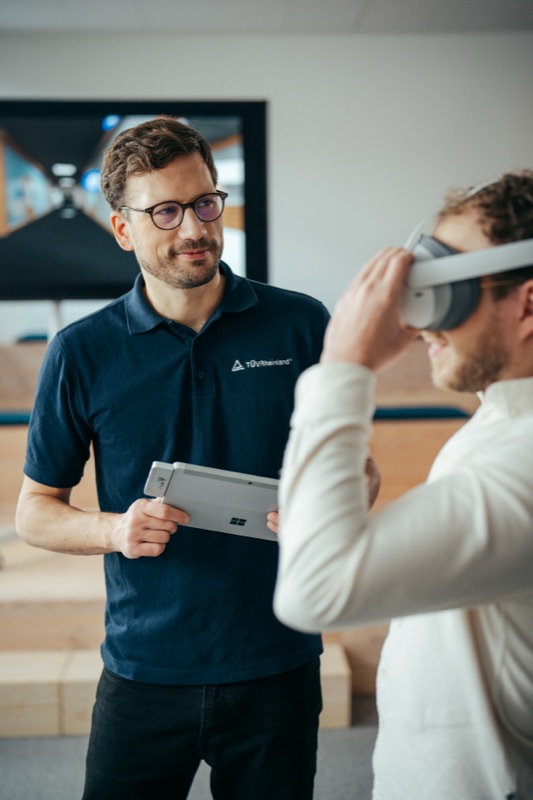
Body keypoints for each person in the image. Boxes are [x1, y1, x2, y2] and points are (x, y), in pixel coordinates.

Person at [15, 116, 380, 799]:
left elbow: (360, 470)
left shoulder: (300, 324)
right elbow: (35, 512)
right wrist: (115, 529)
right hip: (143, 672)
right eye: (166, 212)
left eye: (205, 203)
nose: (195, 228)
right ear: (123, 230)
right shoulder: (82, 351)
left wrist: (330, 504)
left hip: (278, 662)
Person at [273, 170, 533, 799]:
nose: (421, 324)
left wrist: (346, 363)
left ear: (527, 305)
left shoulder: (523, 462)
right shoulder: (501, 422)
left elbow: (316, 593)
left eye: (450, 293)